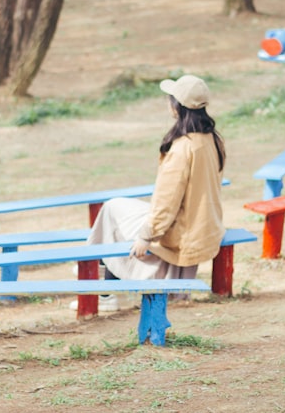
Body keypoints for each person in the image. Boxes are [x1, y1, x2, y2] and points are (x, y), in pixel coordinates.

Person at [82, 74, 226, 311]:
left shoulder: (183, 148)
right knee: (116, 207)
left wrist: (146, 236)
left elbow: (166, 201)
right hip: (204, 225)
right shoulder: (212, 139)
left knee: (111, 210)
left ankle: (104, 285)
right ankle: (100, 270)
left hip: (180, 228)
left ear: (176, 106)